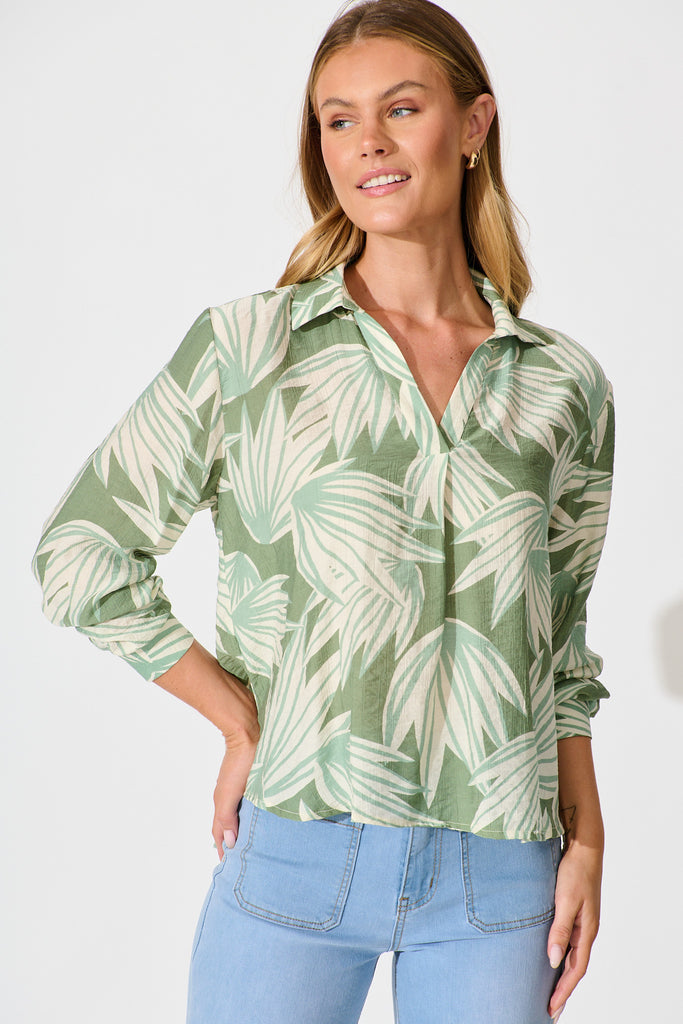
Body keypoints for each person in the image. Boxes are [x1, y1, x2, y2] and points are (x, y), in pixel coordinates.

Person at [32, 1, 615, 1021]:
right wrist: (237, 720)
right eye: (338, 119)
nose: (367, 142)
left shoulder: (560, 383)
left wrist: (588, 839)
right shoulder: (249, 349)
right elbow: (81, 555)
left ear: (472, 125)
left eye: (401, 108)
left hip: (498, 874)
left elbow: (556, 644)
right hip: (297, 849)